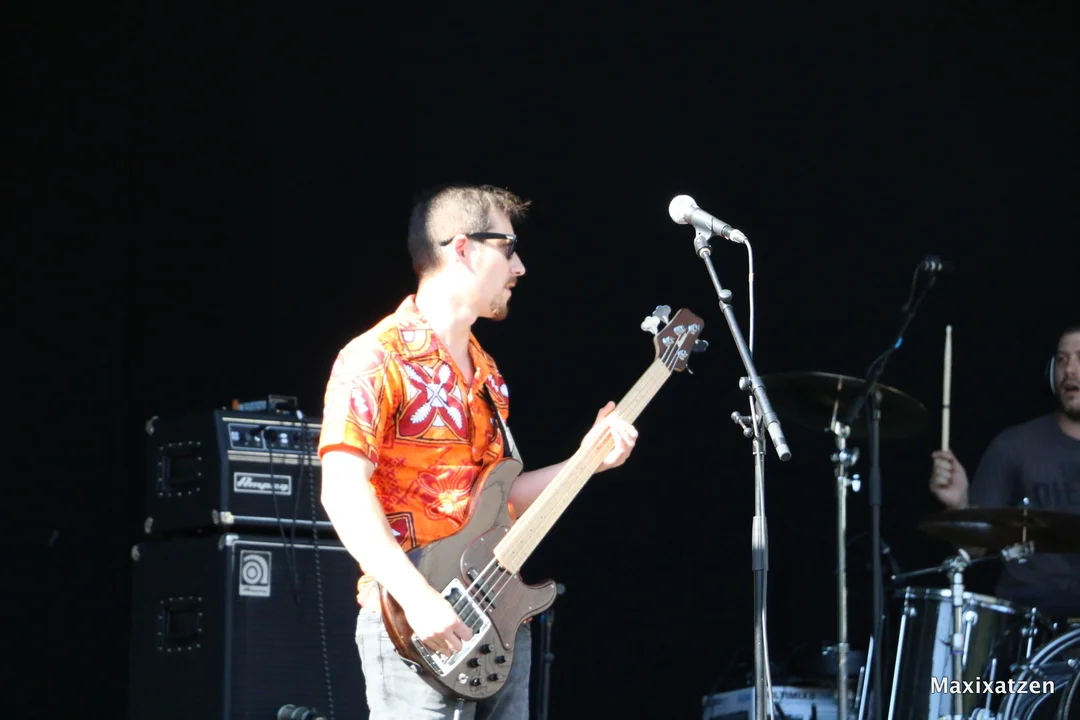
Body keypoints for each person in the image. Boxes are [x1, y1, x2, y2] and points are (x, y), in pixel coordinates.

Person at [316, 183, 640, 719]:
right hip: (413, 626)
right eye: (508, 248)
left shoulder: (487, 373)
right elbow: (343, 491)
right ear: (463, 248)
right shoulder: (375, 358)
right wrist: (418, 598)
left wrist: (585, 462)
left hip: (497, 619)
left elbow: (500, 501)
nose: (520, 267)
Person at [929, 324, 1080, 619]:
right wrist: (959, 505)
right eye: (1062, 360)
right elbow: (974, 550)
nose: (1069, 370)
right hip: (1030, 623)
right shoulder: (1014, 445)